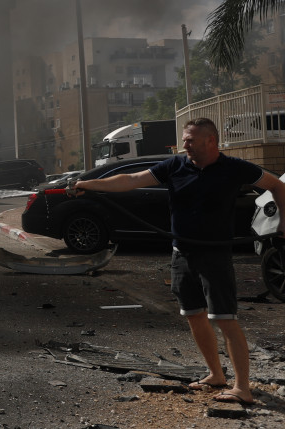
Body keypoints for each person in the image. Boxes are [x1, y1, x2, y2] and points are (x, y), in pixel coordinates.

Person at [71, 117, 285, 406]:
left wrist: (284, 221)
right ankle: (215, 375)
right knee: (194, 314)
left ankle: (242, 387)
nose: (184, 144)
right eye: (184, 139)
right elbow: (132, 179)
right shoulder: (175, 165)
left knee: (225, 320)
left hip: (216, 254)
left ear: (211, 141)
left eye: (190, 139)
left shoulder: (235, 168)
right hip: (181, 253)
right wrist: (91, 184)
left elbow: (277, 185)